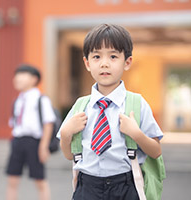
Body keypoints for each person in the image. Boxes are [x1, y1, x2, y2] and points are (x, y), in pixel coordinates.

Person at [57, 24, 163, 200]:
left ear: (127, 62)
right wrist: (67, 132)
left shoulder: (137, 104)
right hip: (87, 187)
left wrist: (136, 134)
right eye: (97, 56)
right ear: (87, 63)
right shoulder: (80, 106)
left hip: (125, 186)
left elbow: (156, 151)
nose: (104, 63)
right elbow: (69, 155)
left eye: (113, 56)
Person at [6, 65, 56, 200]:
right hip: (17, 140)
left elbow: (48, 123)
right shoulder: (17, 100)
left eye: (22, 75)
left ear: (34, 79)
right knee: (12, 178)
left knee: (39, 179)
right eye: (16, 75)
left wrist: (43, 146)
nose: (17, 78)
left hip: (34, 142)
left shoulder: (41, 99)